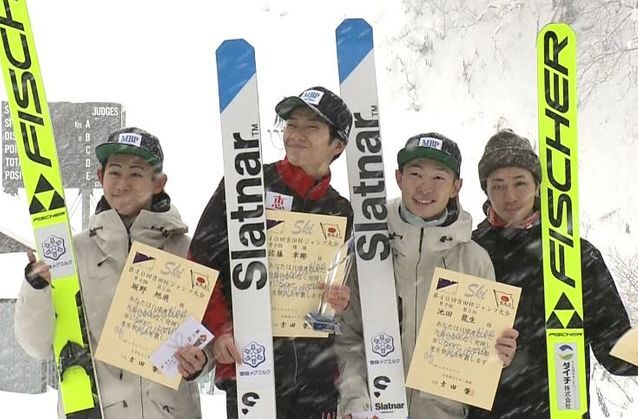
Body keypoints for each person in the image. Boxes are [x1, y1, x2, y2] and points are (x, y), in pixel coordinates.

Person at [14, 127, 213, 418]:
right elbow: (37, 345)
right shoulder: (74, 253)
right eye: (115, 172)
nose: (122, 183)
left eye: (135, 174)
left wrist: (201, 360)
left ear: (159, 182)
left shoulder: (187, 251)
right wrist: (35, 288)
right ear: (100, 177)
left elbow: (212, 330)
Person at [189, 86, 355, 418]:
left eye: (311, 127)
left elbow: (335, 297)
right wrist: (221, 329)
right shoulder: (246, 184)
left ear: (337, 145)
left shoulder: (340, 210)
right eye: (292, 124)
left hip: (315, 378)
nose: (296, 134)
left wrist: (337, 301)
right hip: (248, 364)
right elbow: (201, 262)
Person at [337, 133, 519, 419]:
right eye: (415, 173)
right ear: (398, 178)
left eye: (438, 178)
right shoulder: (370, 248)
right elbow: (349, 338)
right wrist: (356, 402)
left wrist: (497, 355)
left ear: (456, 187)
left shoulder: (474, 260)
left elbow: (480, 355)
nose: (425, 187)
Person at [469, 129, 638, 418]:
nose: (509, 195)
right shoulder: (469, 253)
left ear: (537, 186)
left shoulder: (575, 255)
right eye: (497, 185)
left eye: (520, 182)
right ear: (485, 190)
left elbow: (614, 348)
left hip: (560, 411)